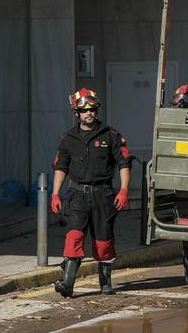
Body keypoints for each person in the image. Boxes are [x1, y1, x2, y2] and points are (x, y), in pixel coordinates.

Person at [50, 88, 131, 297]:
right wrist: (55, 194)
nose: (89, 113)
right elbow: (61, 167)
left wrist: (123, 191)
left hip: (103, 196)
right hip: (77, 196)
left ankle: (105, 282)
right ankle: (67, 283)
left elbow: (123, 163)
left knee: (103, 243)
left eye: (92, 109)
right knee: (73, 237)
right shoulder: (68, 138)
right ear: (77, 113)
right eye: (84, 110)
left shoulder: (111, 135)